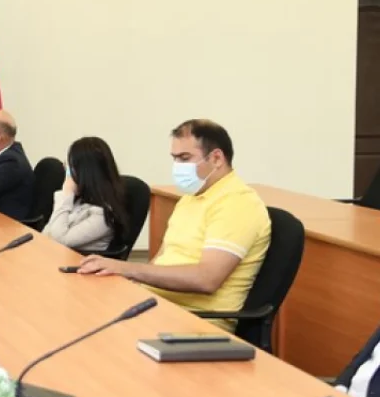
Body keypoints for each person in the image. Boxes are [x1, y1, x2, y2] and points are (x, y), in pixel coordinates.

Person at [78, 120, 271, 329]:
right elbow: (161, 261)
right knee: (83, 312)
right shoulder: (190, 198)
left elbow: (207, 279)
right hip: (157, 308)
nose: (177, 166)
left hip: (197, 324)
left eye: (184, 158)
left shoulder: (238, 203)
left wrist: (127, 269)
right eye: (175, 158)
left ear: (216, 158)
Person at [43, 137, 129, 253]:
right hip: (55, 256)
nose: (67, 174)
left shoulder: (103, 216)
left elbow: (58, 240)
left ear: (84, 173)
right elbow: (47, 233)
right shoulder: (81, 200)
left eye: (69, 168)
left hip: (75, 262)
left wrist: (66, 193)